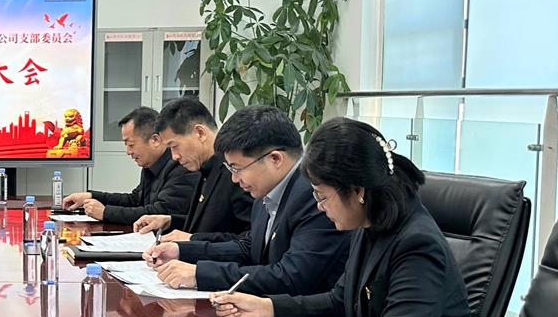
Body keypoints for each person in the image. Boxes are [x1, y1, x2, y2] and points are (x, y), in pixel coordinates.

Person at [212, 117, 492, 317]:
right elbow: (339, 300)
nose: (319, 207)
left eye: (322, 196)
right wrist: (267, 308)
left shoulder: (417, 245)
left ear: (357, 191)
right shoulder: (370, 223)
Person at [144, 105, 347, 293]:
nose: (234, 178)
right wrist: (181, 250)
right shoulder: (266, 190)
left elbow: (291, 276)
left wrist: (200, 275)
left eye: (238, 168)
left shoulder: (313, 196)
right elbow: (249, 247)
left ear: (275, 159)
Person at [133, 97, 252, 241]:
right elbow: (208, 225)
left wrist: (193, 239)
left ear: (200, 133)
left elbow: (251, 240)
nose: (174, 156)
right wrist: (170, 221)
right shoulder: (204, 167)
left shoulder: (235, 172)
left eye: (174, 146)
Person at [62, 106, 197, 224]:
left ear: (155, 140)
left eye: (131, 145)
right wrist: (91, 196)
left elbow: (160, 213)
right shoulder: (151, 165)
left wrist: (105, 212)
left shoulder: (181, 167)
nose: (128, 152)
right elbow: (134, 200)